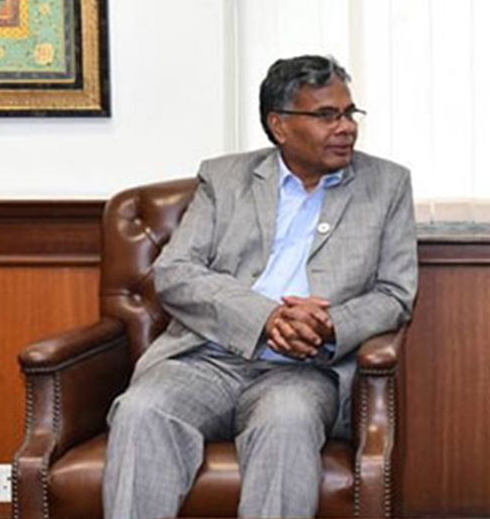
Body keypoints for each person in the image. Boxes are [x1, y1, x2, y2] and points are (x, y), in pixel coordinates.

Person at [103, 55, 418, 519]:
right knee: (141, 410)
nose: (346, 127)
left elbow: (395, 294)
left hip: (305, 370)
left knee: (286, 424)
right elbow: (176, 271)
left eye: (350, 113)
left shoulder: (387, 184)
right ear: (279, 125)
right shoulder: (224, 178)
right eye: (327, 115)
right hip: (206, 357)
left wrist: (328, 325)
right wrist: (266, 318)